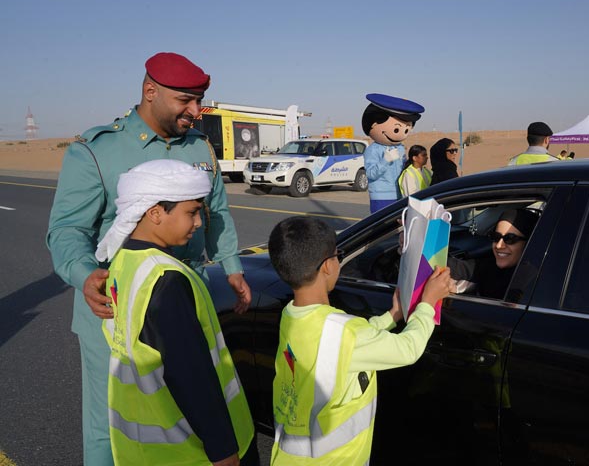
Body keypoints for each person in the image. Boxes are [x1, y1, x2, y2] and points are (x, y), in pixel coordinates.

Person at [46, 52, 252, 465]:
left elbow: (218, 213)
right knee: (114, 425)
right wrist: (86, 275)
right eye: (185, 100)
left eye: (200, 100)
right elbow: (67, 231)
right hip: (116, 309)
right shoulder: (98, 151)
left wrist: (232, 268)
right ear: (150, 91)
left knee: (188, 411)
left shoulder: (200, 147)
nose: (196, 111)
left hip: (183, 300)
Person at [96, 159, 257, 466]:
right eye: (191, 212)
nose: (198, 224)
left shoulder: (123, 261)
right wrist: (223, 451)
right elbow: (190, 375)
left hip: (143, 448)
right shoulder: (165, 278)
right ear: (155, 213)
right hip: (190, 450)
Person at [268, 216, 454, 465]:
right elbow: (408, 349)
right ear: (327, 266)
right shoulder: (343, 333)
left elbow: (356, 339)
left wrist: (391, 316)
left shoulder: (292, 316)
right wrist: (428, 304)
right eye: (338, 254)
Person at [448, 208, 539, 299]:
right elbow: (458, 267)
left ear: (528, 243)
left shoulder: (535, 281)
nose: (499, 245)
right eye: (496, 237)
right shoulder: (491, 266)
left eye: (510, 239)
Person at [361, 93, 425, 212]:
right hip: (381, 196)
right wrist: (385, 160)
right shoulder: (373, 149)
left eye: (406, 129)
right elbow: (370, 174)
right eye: (396, 129)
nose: (402, 133)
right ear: (374, 124)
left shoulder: (400, 148)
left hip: (400, 193)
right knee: (382, 228)